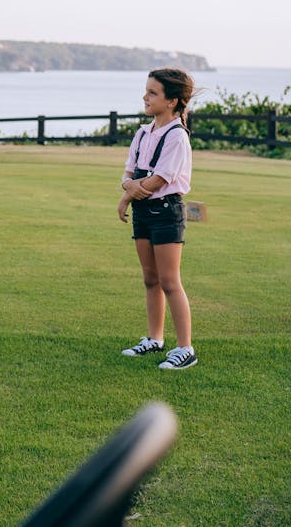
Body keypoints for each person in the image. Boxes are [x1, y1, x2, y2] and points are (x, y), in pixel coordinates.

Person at [117, 68, 197, 370]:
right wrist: (129, 188)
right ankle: (154, 339)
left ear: (173, 101)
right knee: (150, 278)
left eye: (153, 93)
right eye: (146, 90)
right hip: (144, 213)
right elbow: (128, 173)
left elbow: (160, 180)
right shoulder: (142, 133)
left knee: (169, 281)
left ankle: (185, 348)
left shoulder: (177, 136)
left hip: (166, 212)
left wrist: (127, 195)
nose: (145, 97)